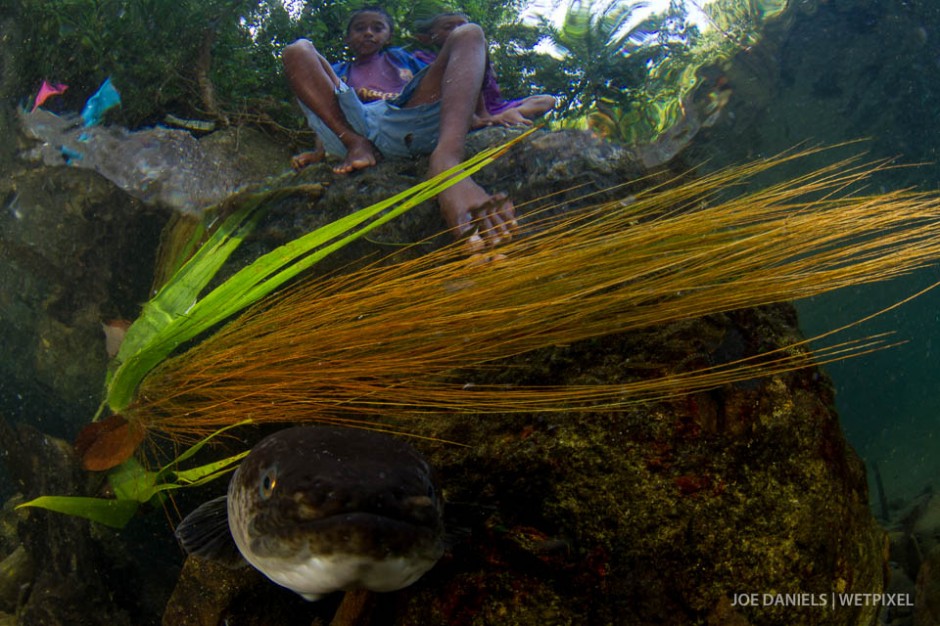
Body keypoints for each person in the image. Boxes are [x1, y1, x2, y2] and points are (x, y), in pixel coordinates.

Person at [283, 6, 516, 251]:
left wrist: (480, 115)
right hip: (352, 126)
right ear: (347, 39)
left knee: (469, 33)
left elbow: (454, 76)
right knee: (297, 50)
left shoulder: (402, 60)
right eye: (360, 29)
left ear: (389, 36)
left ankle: (447, 160)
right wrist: (319, 153)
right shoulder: (340, 71)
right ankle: (355, 144)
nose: (368, 34)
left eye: (377, 28)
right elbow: (326, 110)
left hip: (403, 117)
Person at [413, 12, 555, 128]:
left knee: (546, 100)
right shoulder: (425, 61)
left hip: (495, 109)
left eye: (463, 25)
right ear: (428, 37)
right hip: (458, 112)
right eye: (448, 27)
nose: (458, 30)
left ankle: (507, 115)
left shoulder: (479, 55)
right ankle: (483, 120)